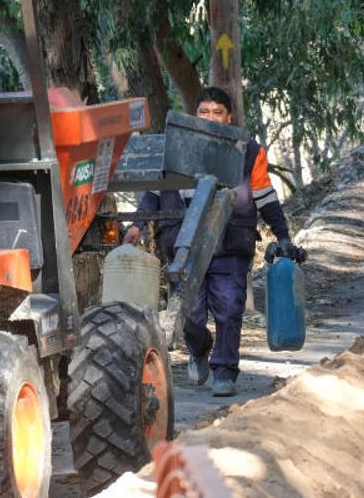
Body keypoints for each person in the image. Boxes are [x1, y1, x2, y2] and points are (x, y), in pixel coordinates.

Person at [124, 86, 297, 397]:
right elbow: (152, 192)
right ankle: (199, 348)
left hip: (231, 241)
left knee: (230, 307)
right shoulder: (175, 148)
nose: (211, 118)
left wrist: (283, 234)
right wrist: (138, 224)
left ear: (229, 118)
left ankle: (224, 371)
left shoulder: (249, 152)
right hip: (182, 243)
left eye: (218, 112)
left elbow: (265, 197)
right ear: (195, 116)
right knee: (191, 314)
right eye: (204, 112)